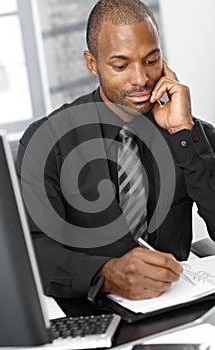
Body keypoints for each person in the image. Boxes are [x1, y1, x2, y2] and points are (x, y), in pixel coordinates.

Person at [16, 0, 215, 301]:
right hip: (96, 314)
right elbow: (32, 250)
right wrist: (106, 274)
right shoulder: (47, 141)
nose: (141, 79)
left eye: (151, 60)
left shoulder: (190, 132)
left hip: (180, 305)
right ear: (92, 63)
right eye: (121, 65)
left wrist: (184, 135)